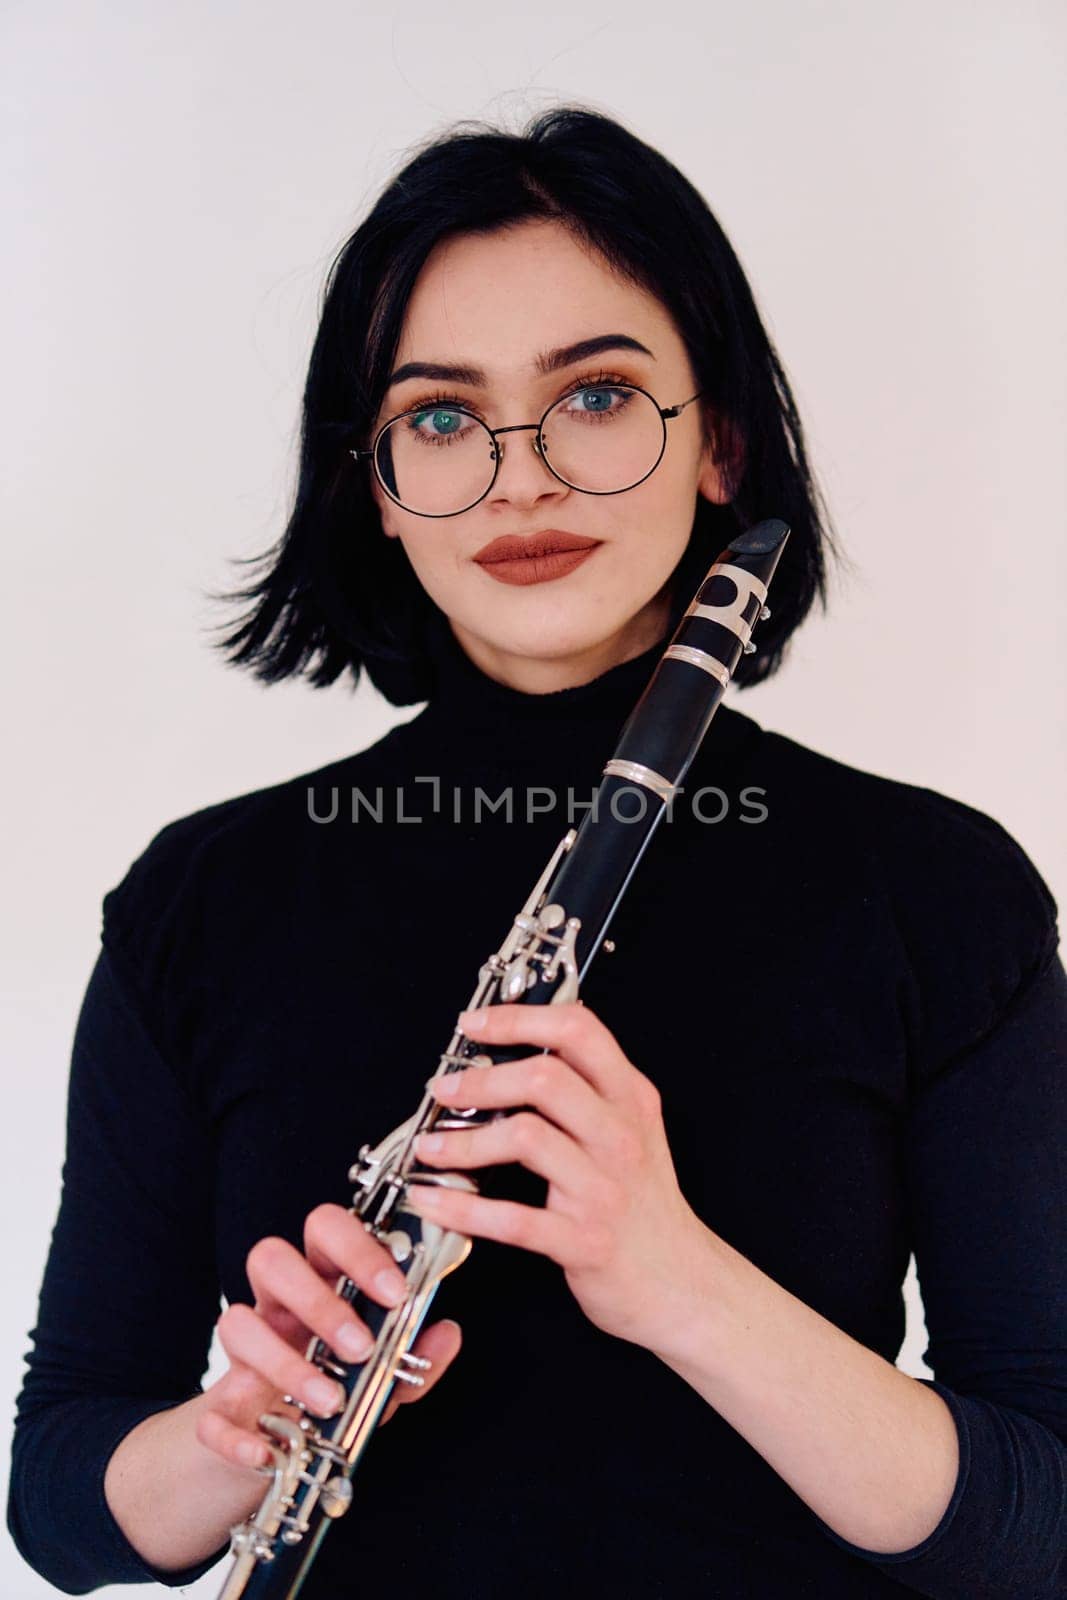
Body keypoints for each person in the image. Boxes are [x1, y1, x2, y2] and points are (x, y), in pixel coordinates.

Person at [8, 105, 1065, 1599]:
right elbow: (58, 1499)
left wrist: (670, 1273)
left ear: (726, 444)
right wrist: (235, 1436)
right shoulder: (206, 900)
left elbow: (1044, 1521)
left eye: (599, 396)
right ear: (374, 486)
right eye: (440, 416)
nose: (519, 476)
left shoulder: (942, 896)